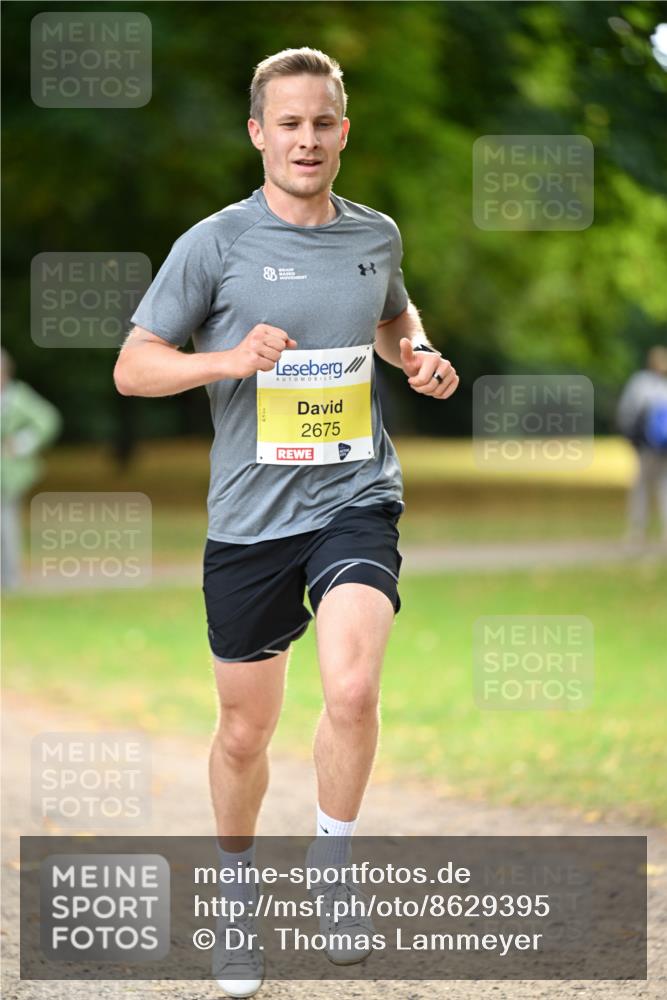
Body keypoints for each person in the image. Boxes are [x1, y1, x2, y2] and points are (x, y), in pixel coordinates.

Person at [113, 46, 459, 997]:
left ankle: (334, 865)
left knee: (350, 688)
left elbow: (393, 317)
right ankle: (235, 894)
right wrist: (226, 362)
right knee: (242, 732)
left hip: (354, 496)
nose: (306, 139)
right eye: (289, 123)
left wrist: (417, 352)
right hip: (249, 520)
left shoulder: (375, 234)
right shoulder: (213, 244)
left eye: (322, 123)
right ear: (259, 133)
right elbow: (134, 366)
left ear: (343, 132)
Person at [1, 348, 62, 591]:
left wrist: (22, 443)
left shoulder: (18, 398)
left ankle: (10, 580)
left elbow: (48, 420)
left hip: (8, 475)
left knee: (5, 526)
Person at [616, 345, 667, 545]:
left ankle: (637, 531)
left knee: (643, 487)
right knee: (661, 485)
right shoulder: (647, 384)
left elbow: (627, 411)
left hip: (646, 446)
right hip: (655, 446)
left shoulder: (640, 383)